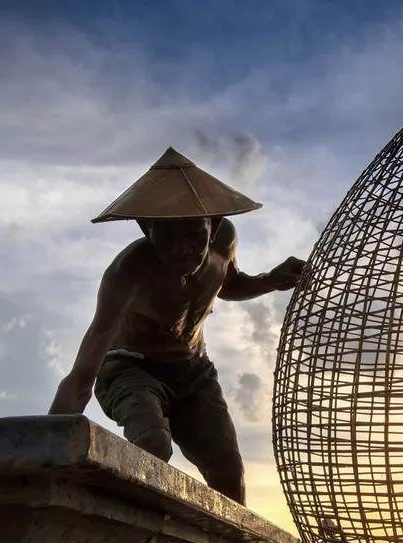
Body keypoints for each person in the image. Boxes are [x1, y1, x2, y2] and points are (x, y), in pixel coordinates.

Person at [48, 147, 305, 505]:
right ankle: (137, 529)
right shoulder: (128, 272)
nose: (183, 247)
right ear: (147, 229)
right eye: (168, 234)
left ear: (213, 225)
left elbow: (228, 285)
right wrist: (45, 446)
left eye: (194, 232)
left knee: (228, 470)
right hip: (129, 366)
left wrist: (270, 279)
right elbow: (83, 372)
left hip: (193, 371)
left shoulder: (223, 241)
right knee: (152, 443)